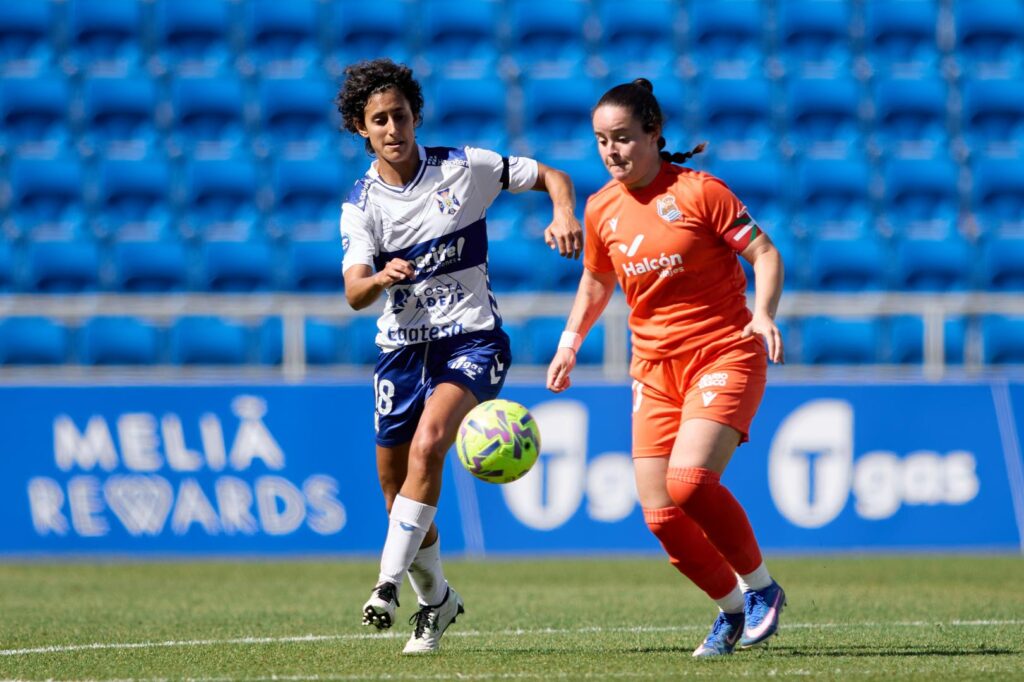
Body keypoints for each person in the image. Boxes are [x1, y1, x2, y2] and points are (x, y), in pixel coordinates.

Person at [337, 58, 583, 655]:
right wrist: (380, 279)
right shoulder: (360, 204)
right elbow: (352, 293)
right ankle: (438, 601)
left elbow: (551, 175)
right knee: (397, 492)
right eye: (379, 120)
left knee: (430, 445)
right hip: (400, 353)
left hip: (472, 341)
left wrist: (563, 211)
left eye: (400, 115)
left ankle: (385, 586)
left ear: (417, 115)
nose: (393, 128)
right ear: (360, 130)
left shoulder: (464, 168)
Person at [545, 78, 787, 658]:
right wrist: (569, 341)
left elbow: (765, 252)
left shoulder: (701, 193)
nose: (612, 152)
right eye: (602, 141)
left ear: (654, 134)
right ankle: (730, 611)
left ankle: (762, 591)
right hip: (653, 369)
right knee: (660, 516)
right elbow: (597, 279)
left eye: (624, 138)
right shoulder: (601, 207)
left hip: (724, 350)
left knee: (690, 484)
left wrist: (764, 314)